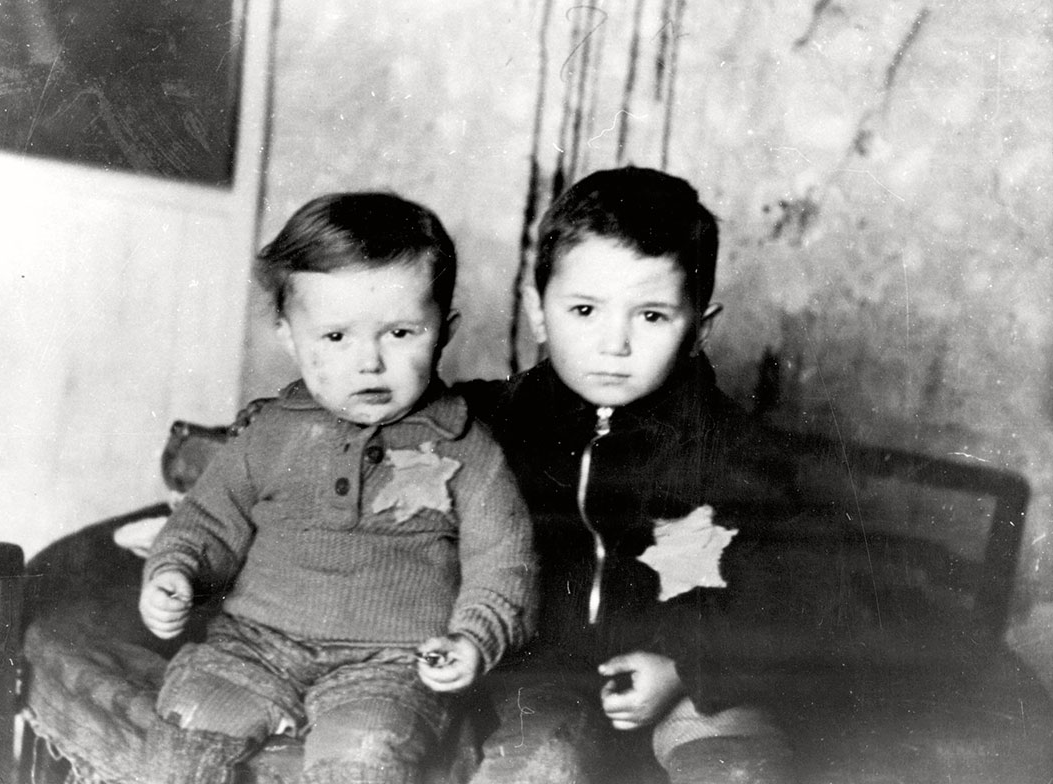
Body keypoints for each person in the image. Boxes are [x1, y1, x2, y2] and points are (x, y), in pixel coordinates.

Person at [139, 192, 538, 784]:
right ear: (288, 335)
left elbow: (504, 565)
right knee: (186, 731)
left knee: (365, 760)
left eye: (401, 332)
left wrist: (472, 638)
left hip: (394, 662)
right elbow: (207, 521)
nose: (369, 362)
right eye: (335, 338)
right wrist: (175, 573)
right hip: (253, 644)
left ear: (444, 332)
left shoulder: (468, 447)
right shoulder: (269, 432)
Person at [459, 167, 795, 784]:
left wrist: (684, 668)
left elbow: (787, 601)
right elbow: (389, 416)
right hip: (546, 680)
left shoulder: (738, 452)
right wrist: (280, 417)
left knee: (741, 769)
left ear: (700, 328)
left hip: (696, 680)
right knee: (535, 768)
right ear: (538, 312)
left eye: (651, 316)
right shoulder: (489, 422)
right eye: (585, 309)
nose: (613, 343)